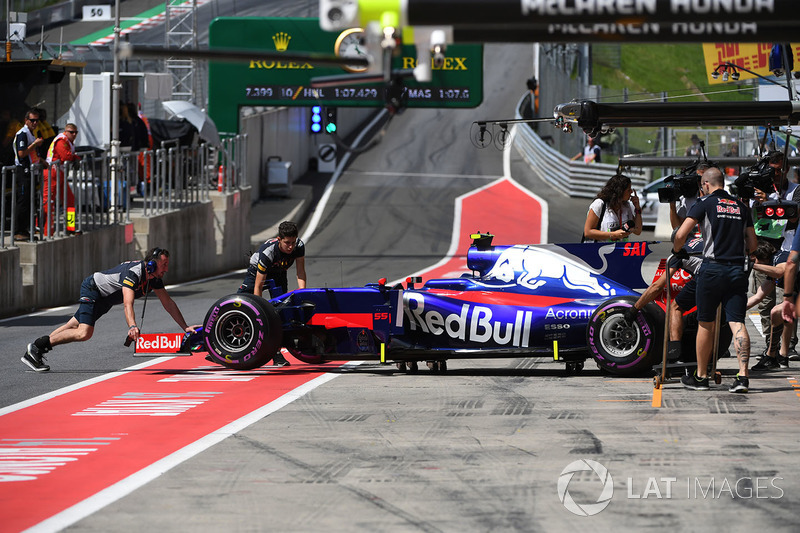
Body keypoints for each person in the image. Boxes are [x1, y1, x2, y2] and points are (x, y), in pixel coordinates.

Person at [21, 247, 200, 372]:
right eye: (164, 265)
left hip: (105, 299)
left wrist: (185, 327)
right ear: (152, 265)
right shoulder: (134, 273)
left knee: (73, 325)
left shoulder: (154, 278)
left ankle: (36, 350)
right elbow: (127, 303)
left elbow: (168, 303)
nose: (166, 269)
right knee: (84, 332)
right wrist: (132, 326)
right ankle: (36, 348)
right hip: (94, 289)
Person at [673, 167, 757, 393]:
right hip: (737, 270)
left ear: (706, 184)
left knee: (706, 323)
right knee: (737, 321)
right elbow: (753, 245)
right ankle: (742, 377)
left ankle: (701, 377)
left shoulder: (705, 203)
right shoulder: (741, 206)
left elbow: (681, 234)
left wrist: (678, 249)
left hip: (712, 269)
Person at [749, 151, 799, 357]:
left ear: (787, 169)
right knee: (765, 302)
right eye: (772, 170)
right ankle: (771, 345)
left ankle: (787, 347)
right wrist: (757, 201)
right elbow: (751, 218)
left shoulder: (796, 191)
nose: (775, 175)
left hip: (787, 249)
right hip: (764, 249)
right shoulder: (758, 189)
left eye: (779, 170)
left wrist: (770, 199)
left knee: (784, 301)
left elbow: (794, 214)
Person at [238, 221, 307, 366]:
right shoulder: (267, 252)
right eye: (287, 243)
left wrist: (302, 293)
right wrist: (259, 312)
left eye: (293, 242)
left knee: (281, 311)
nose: (290, 247)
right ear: (279, 239)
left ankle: (276, 355)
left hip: (279, 274)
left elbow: (300, 272)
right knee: (241, 305)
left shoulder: (299, 246)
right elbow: (258, 286)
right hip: (257, 272)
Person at [43, 123, 80, 236]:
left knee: (70, 200)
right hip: (52, 172)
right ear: (66, 131)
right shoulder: (61, 140)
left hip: (59, 173)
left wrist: (74, 157)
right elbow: (66, 156)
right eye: (71, 132)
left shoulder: (67, 141)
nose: (74, 134)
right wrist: (76, 158)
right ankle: (45, 229)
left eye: (75, 132)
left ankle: (70, 226)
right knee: (49, 201)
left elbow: (68, 156)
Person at [13, 108, 45, 241]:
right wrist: (35, 144)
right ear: (26, 120)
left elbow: (33, 154)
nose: (35, 123)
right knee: (23, 201)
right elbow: (21, 153)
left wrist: (42, 161)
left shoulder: (32, 133)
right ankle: (17, 230)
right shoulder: (23, 133)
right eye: (32, 120)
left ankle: (24, 229)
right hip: (23, 171)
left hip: (32, 171)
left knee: (29, 201)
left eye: (37, 120)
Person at [582, 173, 642, 242]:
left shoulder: (626, 206)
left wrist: (637, 208)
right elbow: (588, 232)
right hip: (599, 250)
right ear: (620, 192)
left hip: (619, 251)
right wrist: (613, 234)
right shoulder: (599, 204)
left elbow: (637, 231)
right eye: (628, 190)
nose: (631, 192)